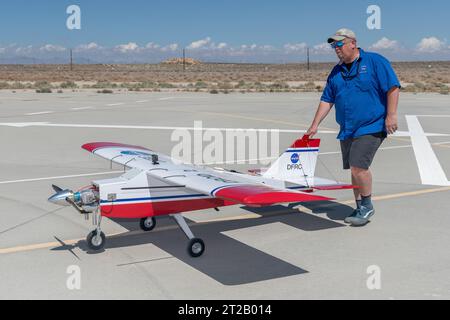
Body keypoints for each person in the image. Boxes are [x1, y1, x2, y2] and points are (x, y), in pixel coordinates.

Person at [307, 28, 401, 227]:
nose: (336, 48)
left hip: (372, 125)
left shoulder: (375, 61)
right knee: (353, 169)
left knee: (359, 166)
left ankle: (367, 206)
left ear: (352, 43)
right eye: (333, 45)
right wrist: (314, 125)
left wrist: (391, 115)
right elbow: (327, 99)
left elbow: (392, 87)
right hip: (348, 128)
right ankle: (359, 205)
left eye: (339, 44)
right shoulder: (336, 72)